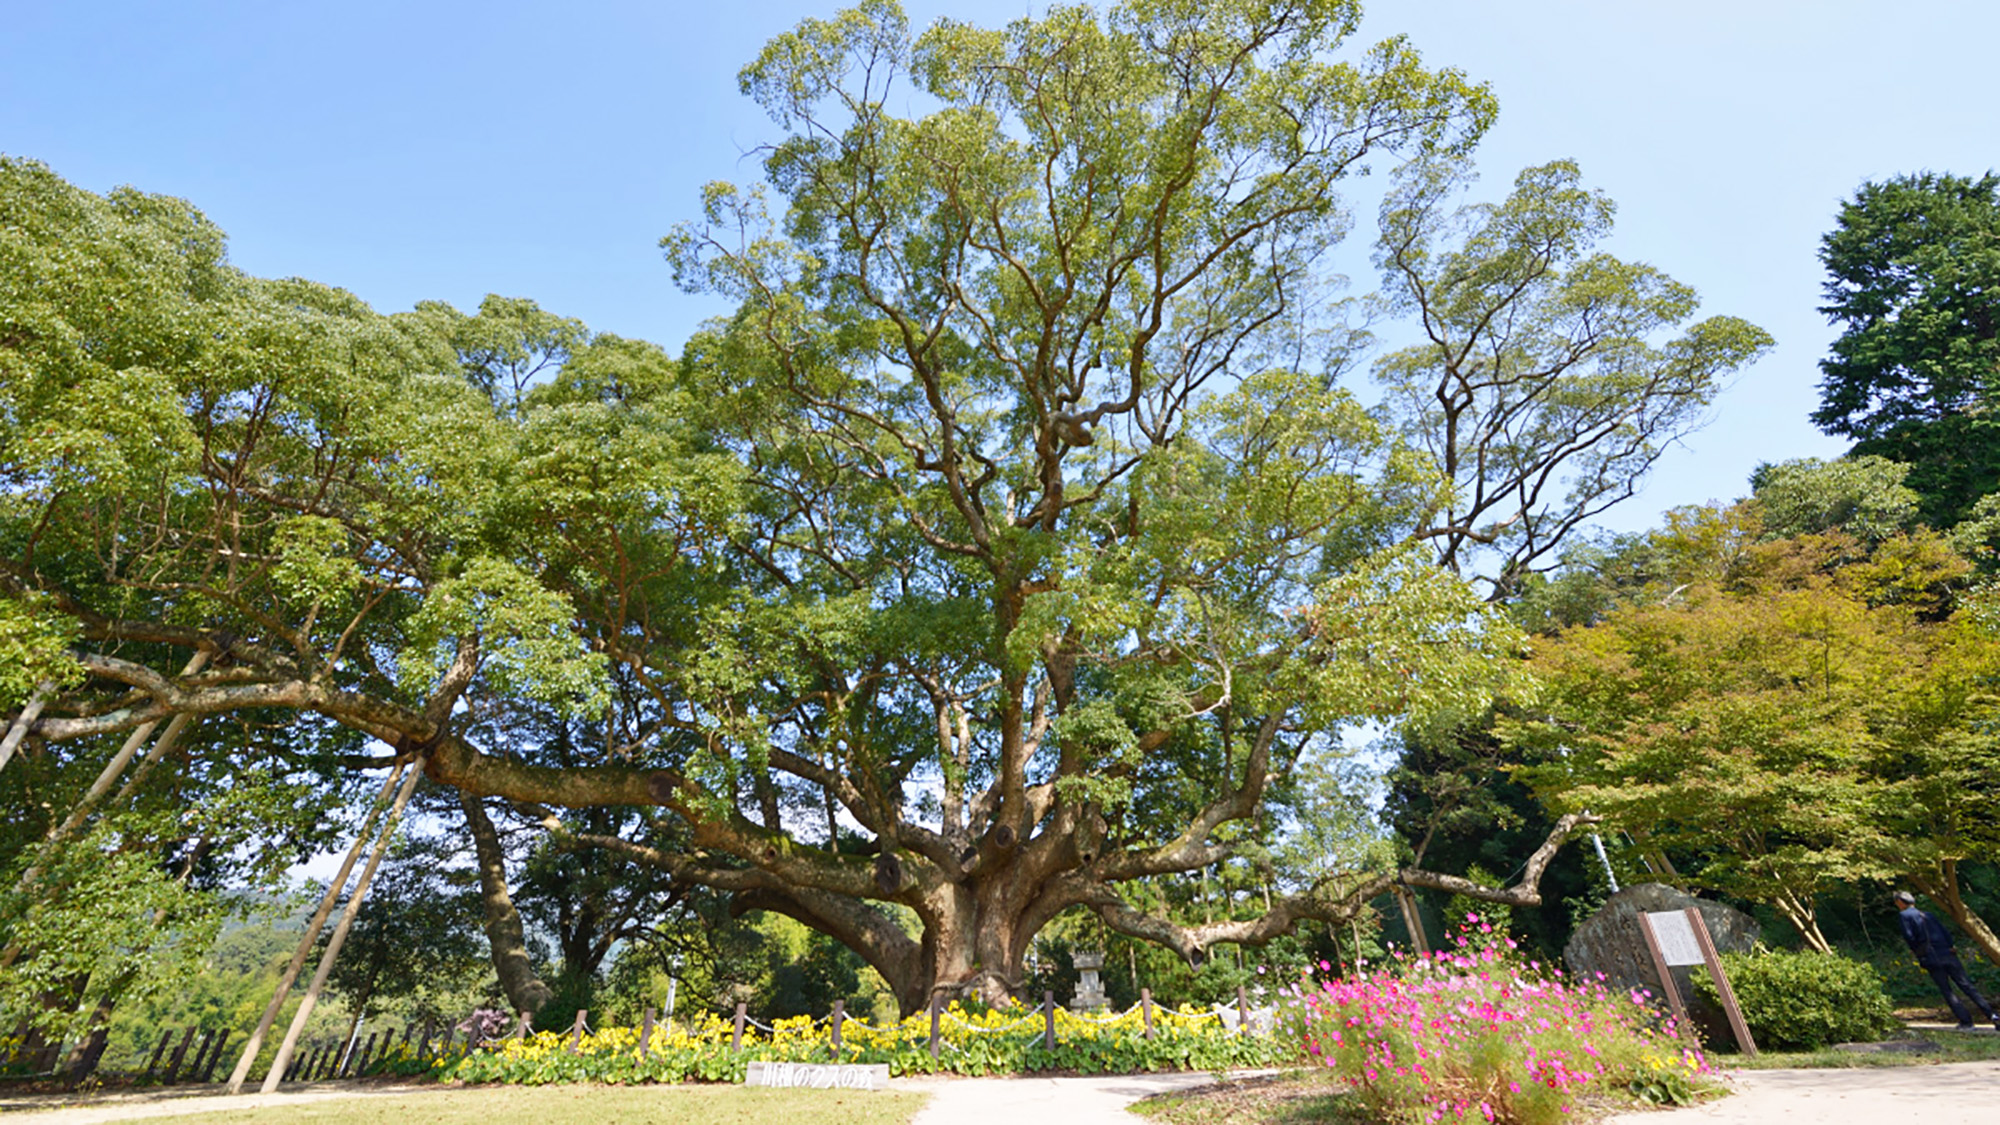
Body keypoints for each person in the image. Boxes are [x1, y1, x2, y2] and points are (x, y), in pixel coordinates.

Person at [1894, 890, 2000, 1031]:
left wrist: (1917, 951)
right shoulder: (1928, 915)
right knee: (1968, 986)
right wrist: (1950, 946)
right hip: (1948, 953)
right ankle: (1994, 1016)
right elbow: (1945, 932)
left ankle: (1966, 1021)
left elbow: (1909, 936)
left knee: (1947, 990)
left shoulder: (1904, 916)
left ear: (1900, 902)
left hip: (1931, 957)